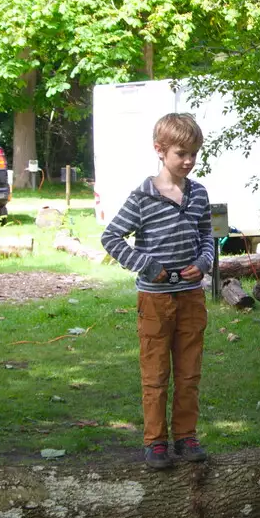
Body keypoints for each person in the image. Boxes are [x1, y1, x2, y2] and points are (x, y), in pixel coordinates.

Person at [101, 113, 216, 469]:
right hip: (155, 300)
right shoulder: (142, 197)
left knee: (189, 372)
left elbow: (207, 236)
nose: (188, 161)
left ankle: (185, 437)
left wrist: (205, 261)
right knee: (155, 374)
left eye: (194, 154)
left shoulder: (198, 193)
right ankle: (155, 442)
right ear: (160, 150)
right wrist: (149, 266)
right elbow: (111, 238)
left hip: (192, 297)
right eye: (181, 153)